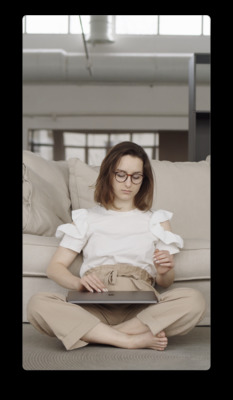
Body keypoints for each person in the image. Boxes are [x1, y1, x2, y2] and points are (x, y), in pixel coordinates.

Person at [27, 142, 206, 351]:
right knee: (38, 304)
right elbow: (55, 267)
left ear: (143, 180)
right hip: (94, 304)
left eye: (136, 176)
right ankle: (127, 339)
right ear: (108, 175)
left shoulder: (157, 220)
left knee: (194, 300)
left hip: (140, 308)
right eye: (120, 174)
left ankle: (98, 333)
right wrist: (78, 284)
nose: (127, 183)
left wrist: (164, 271)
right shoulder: (87, 218)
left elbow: (165, 283)